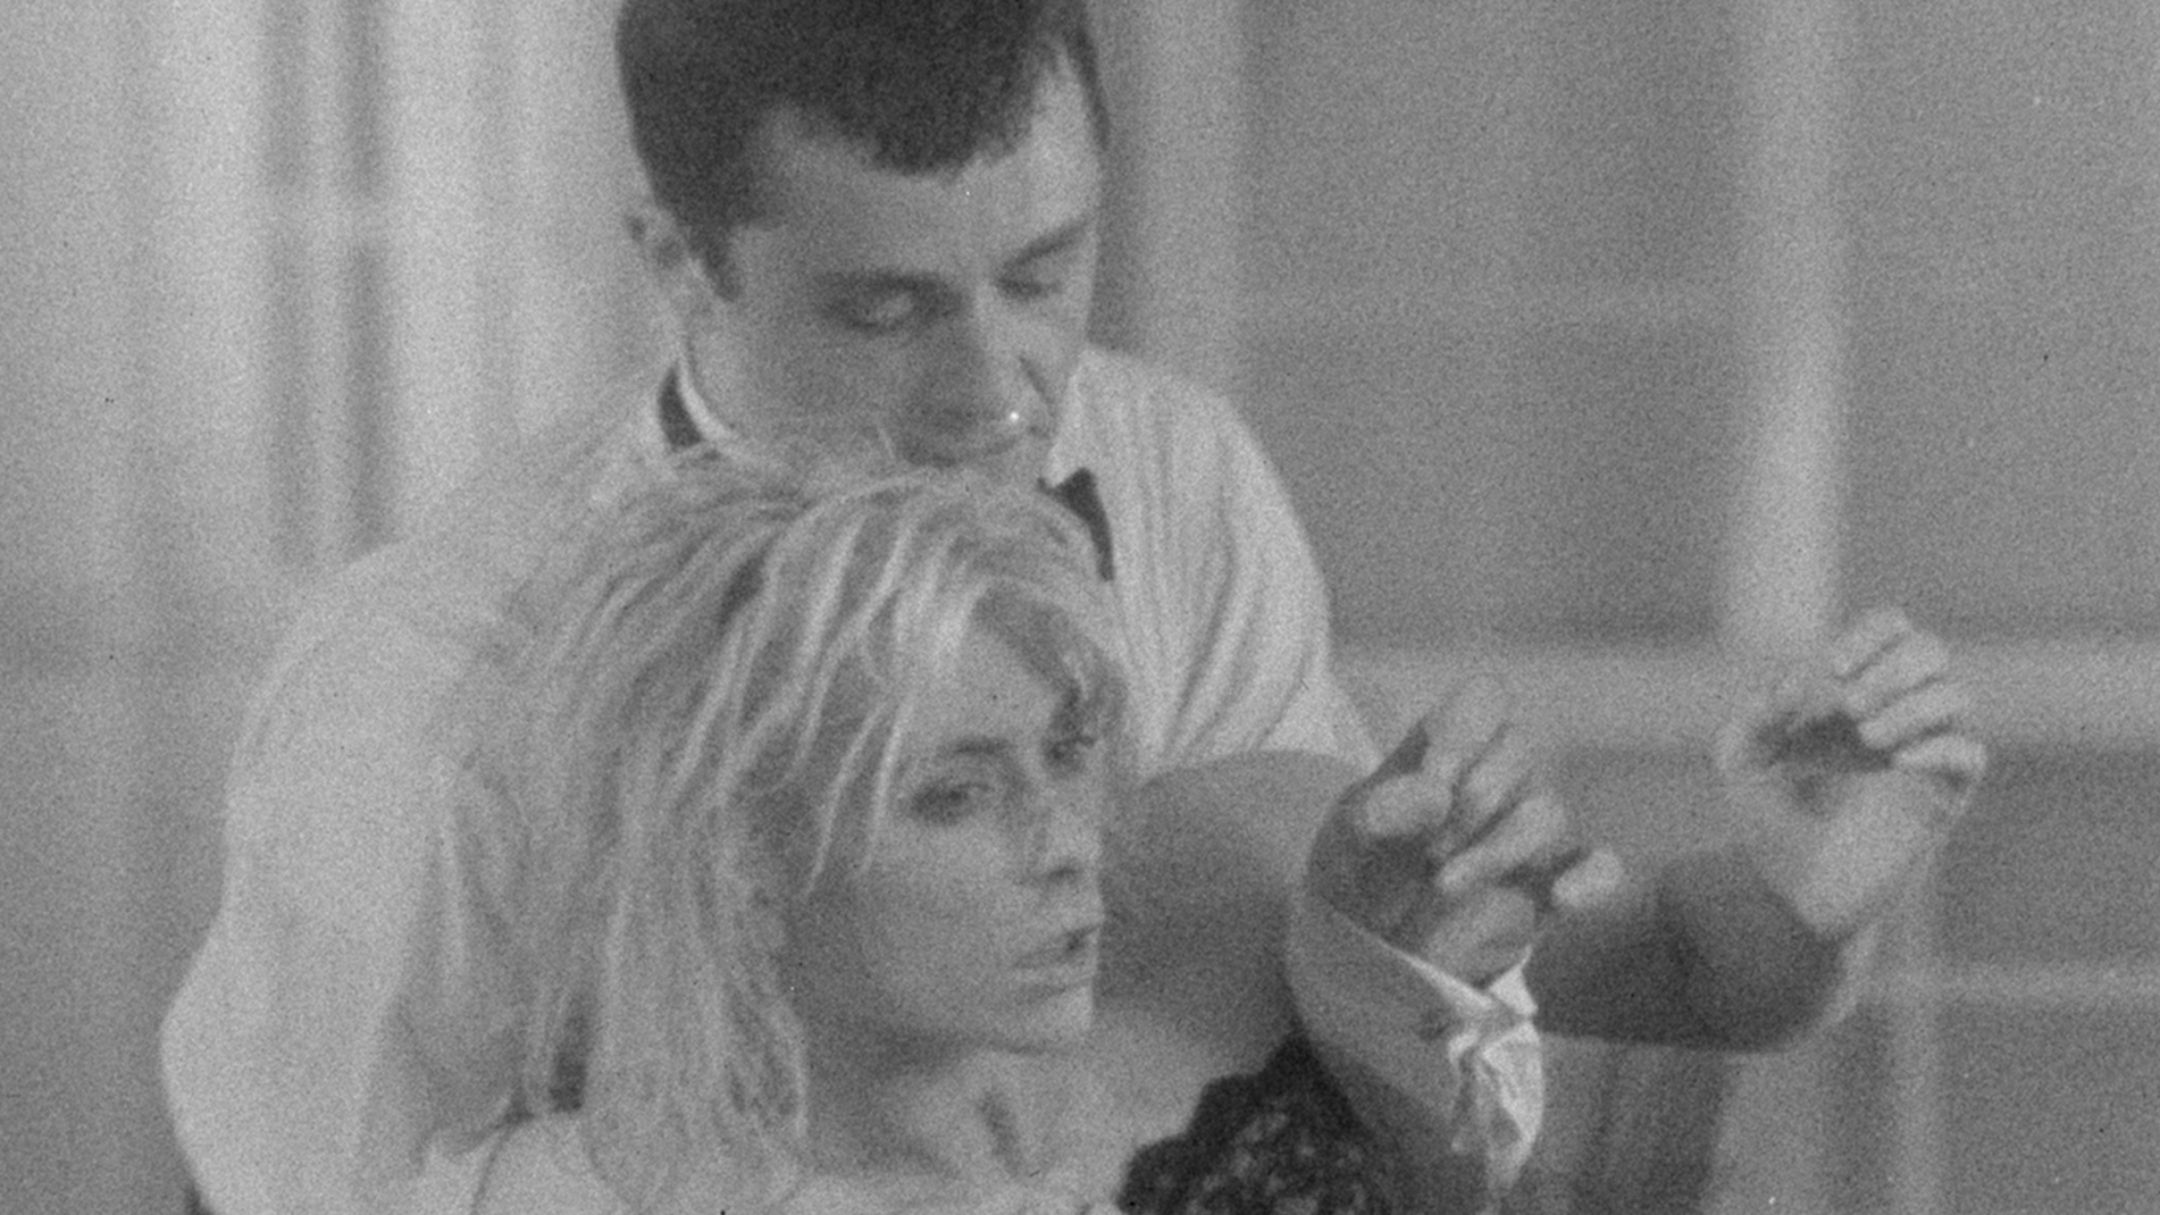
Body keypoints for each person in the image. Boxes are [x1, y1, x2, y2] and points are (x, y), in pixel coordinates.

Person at [160, 1, 1985, 1211]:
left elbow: (1374, 1045)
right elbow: (308, 1184)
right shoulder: (425, 696)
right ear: (679, 263)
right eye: (887, 310)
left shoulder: (1173, 477)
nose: (1000, 401)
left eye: (1043, 274)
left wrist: (1777, 922)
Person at [454, 464, 1524, 1214]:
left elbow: (1485, 1164)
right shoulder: (567, 1189)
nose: (1068, 845)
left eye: (1066, 752)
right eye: (956, 796)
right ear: (747, 868)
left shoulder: (1258, 907)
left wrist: (1400, 987)